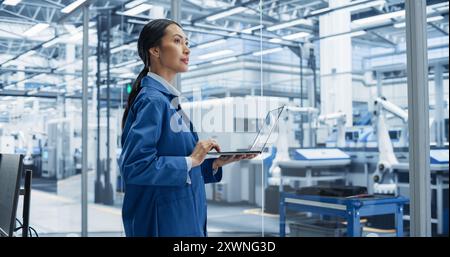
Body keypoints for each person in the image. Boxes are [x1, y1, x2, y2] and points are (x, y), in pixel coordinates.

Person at [119, 19, 257, 237]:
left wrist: (211, 164)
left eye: (186, 42)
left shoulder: (167, 101)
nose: (187, 48)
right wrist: (191, 160)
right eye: (177, 41)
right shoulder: (153, 101)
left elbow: (177, 167)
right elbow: (135, 167)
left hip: (180, 219)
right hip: (161, 224)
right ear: (155, 50)